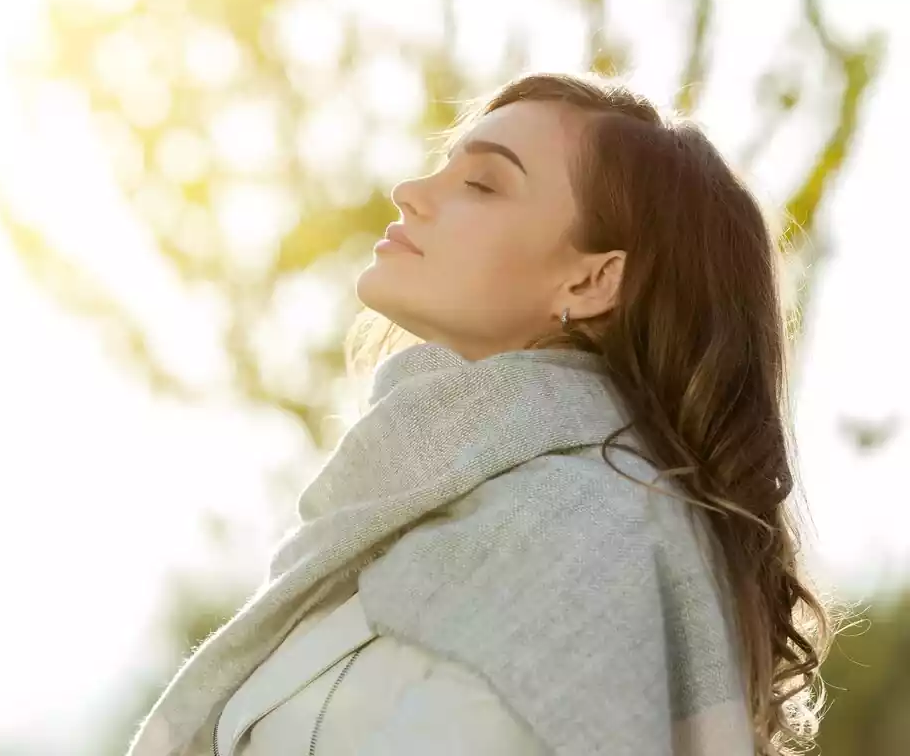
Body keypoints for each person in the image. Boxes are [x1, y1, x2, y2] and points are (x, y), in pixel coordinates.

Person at [127, 72, 831, 756]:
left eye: (482, 184)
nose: (409, 194)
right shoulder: (394, 518)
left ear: (590, 279)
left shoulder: (598, 534)